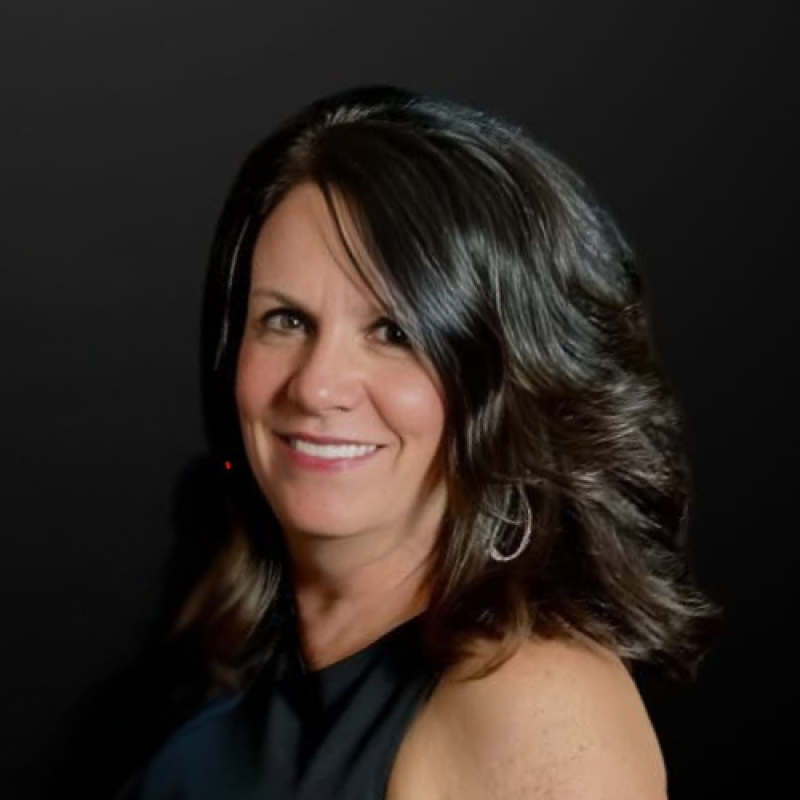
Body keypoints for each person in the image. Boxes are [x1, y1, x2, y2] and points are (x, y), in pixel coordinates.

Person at [119, 84, 720, 800]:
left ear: (499, 376)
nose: (317, 386)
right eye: (285, 320)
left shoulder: (533, 703)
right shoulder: (229, 642)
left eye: (395, 332)